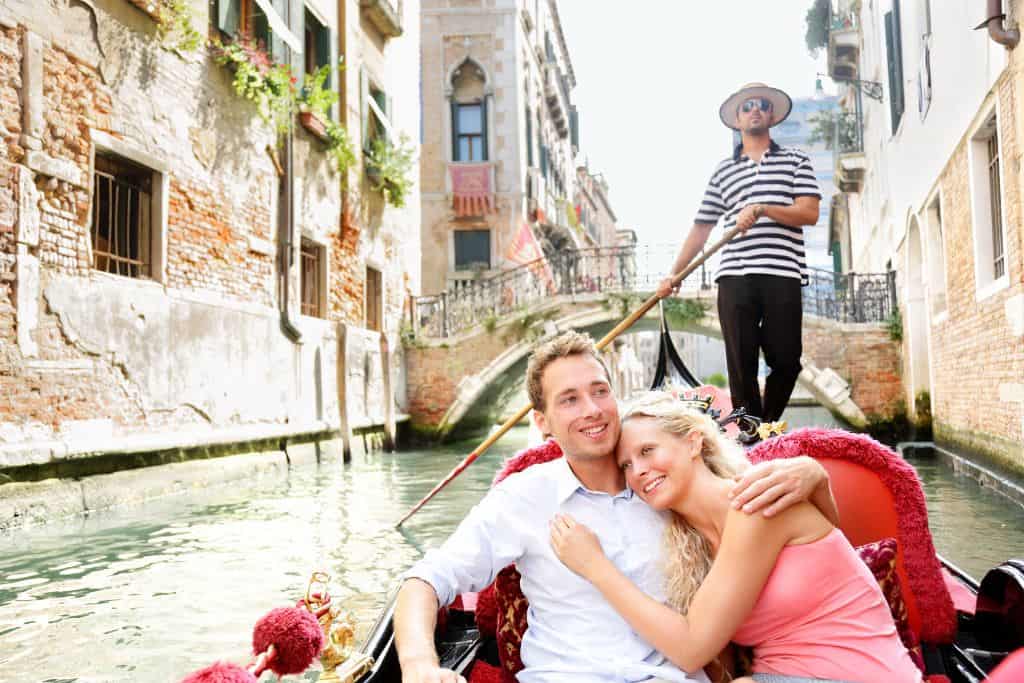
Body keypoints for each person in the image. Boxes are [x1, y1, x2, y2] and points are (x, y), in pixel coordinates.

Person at [395, 331, 840, 683]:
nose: (592, 410)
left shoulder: (668, 484)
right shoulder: (523, 497)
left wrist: (814, 476)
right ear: (543, 423)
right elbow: (427, 580)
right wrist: (417, 663)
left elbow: (803, 545)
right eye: (569, 399)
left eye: (600, 391)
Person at [549, 392, 923, 683]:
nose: (639, 471)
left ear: (694, 443)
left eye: (648, 451)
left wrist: (595, 567)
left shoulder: (754, 503)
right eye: (626, 466)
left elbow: (691, 647)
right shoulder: (690, 546)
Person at [657, 82, 822, 423]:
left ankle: (767, 422)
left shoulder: (796, 161)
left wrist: (763, 208)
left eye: (761, 104)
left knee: (787, 359)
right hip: (734, 275)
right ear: (737, 119)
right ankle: (750, 429)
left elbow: (809, 212)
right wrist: (674, 274)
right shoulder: (723, 171)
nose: (754, 110)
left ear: (772, 114)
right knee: (741, 360)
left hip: (783, 273)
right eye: (746, 107)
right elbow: (702, 228)